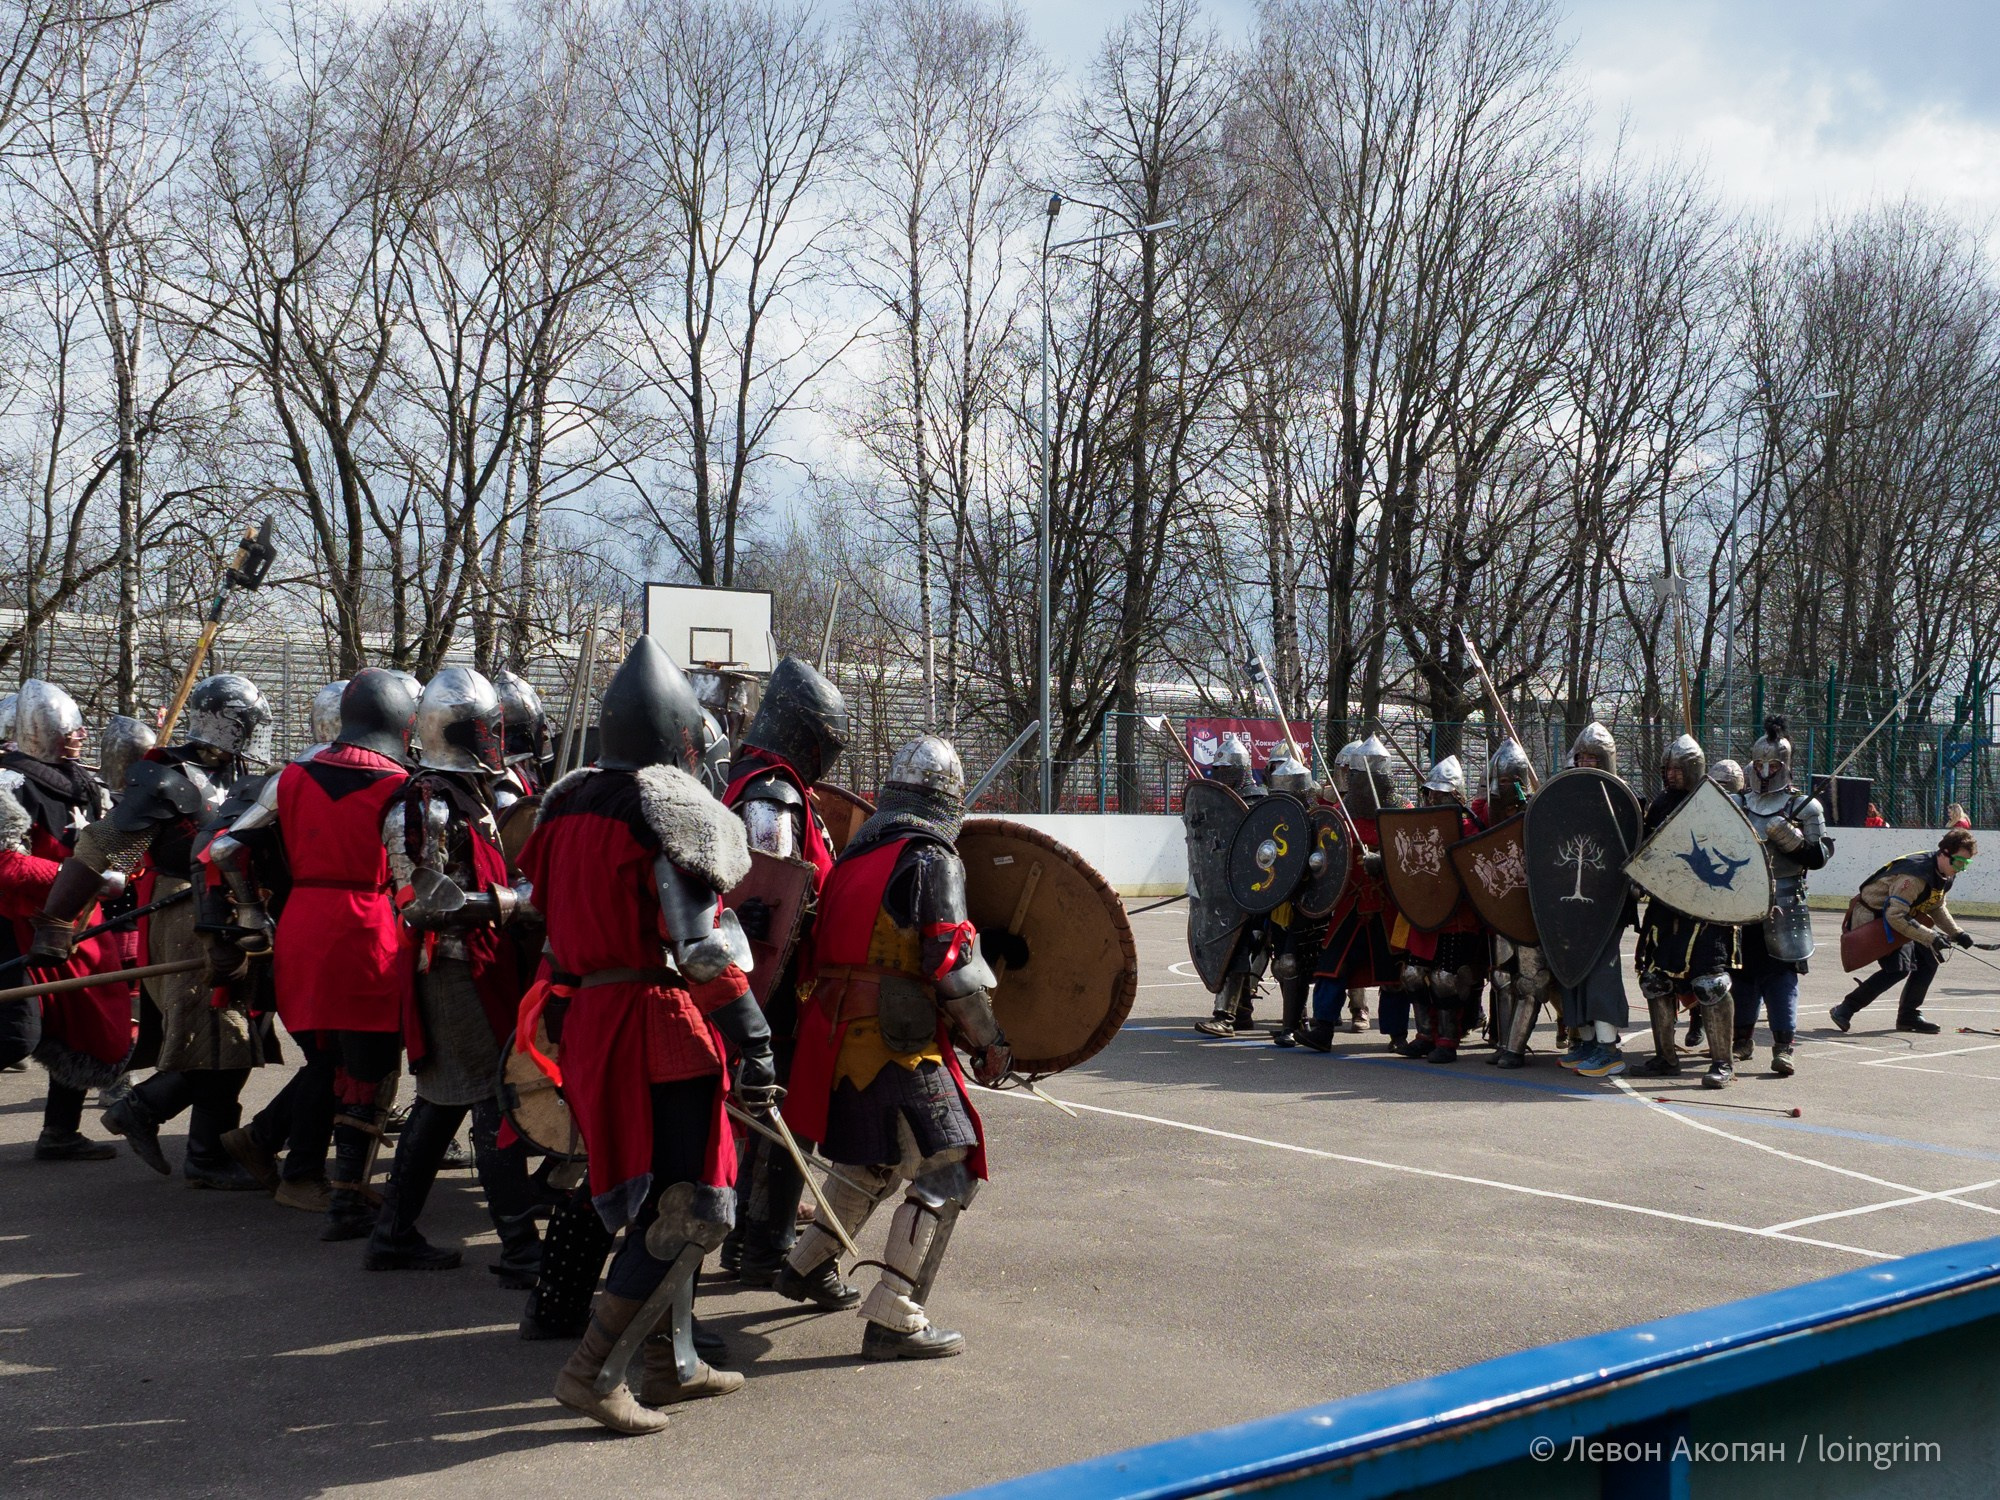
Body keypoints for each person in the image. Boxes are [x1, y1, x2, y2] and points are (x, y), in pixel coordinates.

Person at [517, 635, 769, 1433]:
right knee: (686, 1203)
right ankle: (593, 1372)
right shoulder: (667, 809)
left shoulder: (566, 806)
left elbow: (544, 920)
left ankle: (673, 1361)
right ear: (681, 734)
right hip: (653, 1026)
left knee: (660, 1198)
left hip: (590, 1020)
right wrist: (755, 1036)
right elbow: (699, 949)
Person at [776, 735, 1009, 1362]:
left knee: (873, 1159)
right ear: (947, 800)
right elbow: (950, 964)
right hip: (894, 1040)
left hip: (835, 1038)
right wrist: (991, 1041)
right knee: (950, 1166)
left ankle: (805, 1264)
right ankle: (895, 1315)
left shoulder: (855, 855)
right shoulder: (932, 857)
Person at [34, 675, 277, 1186]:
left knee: (236, 1038)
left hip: (234, 913)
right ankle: (199, 1152)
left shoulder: (242, 774)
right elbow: (101, 846)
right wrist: (57, 920)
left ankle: (158, 1120)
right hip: (186, 914)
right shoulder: (169, 775)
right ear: (229, 723)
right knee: (215, 1035)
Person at [206, 670, 417, 1232]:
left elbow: (225, 849)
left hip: (303, 925)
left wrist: (251, 912)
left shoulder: (292, 774)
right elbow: (412, 883)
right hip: (366, 930)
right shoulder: (400, 784)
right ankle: (317, 1180)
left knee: (326, 1058)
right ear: (401, 721)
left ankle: (277, 1151)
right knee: (364, 1063)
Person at [365, 668, 540, 1278]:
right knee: (492, 1097)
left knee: (442, 1103)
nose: (497, 738)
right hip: (450, 966)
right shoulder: (425, 803)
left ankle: (392, 1234)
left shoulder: (469, 793)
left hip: (480, 963)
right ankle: (520, 1248)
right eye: (488, 728)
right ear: (466, 730)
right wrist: (514, 902)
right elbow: (421, 903)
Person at [719, 655, 846, 1283]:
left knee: (765, 1108)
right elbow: (774, 899)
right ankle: (762, 1245)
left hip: (762, 980)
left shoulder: (754, 782)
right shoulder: (775, 793)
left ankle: (745, 1236)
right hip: (777, 985)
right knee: (780, 1111)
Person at [0, 681, 126, 1158]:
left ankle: (60, 1133)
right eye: (69, 729)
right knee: (16, 1034)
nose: (80, 736)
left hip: (79, 924)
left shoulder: (87, 785)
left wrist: (122, 863)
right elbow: (5, 866)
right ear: (41, 730)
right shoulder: (8, 785)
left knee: (86, 1030)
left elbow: (110, 846)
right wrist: (74, 875)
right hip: (19, 923)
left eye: (79, 729)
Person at [1730, 719, 1830, 1077]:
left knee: (1781, 978)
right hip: (1741, 899)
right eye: (1759, 765)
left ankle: (1783, 1047)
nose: (1764, 772)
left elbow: (1819, 857)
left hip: (1785, 900)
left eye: (1772, 766)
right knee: (1740, 973)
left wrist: (1792, 840)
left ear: (1784, 766)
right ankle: (1741, 1039)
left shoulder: (1804, 807)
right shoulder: (1736, 803)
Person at [1300, 737, 1399, 1052]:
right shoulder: (1338, 815)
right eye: (1358, 777)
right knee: (1331, 966)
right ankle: (1323, 1029)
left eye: (1370, 777)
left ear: (1384, 779)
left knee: (1395, 974)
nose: (1364, 783)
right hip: (1349, 905)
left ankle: (1398, 1035)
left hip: (1387, 907)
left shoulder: (1400, 813)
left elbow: (1411, 856)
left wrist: (1383, 861)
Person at [1832, 829, 1977, 1036]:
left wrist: (1956, 933)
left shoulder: (1945, 873)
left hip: (1900, 916)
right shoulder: (1915, 876)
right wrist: (1931, 936)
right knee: (1898, 968)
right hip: (1874, 918)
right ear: (1944, 853)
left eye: (1966, 863)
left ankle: (1908, 1016)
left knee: (1929, 960)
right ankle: (1845, 1008)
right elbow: (1895, 916)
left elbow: (1936, 906)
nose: (1961, 868)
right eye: (1959, 862)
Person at [1554, 722, 1634, 1078]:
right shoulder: (1565, 798)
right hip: (1570, 902)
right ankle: (1586, 1043)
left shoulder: (1624, 802)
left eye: (1594, 758)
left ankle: (1608, 1049)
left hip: (1607, 905)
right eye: (1582, 757)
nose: (1586, 763)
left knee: (1601, 974)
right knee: (1572, 971)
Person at [1395, 755, 1486, 1064]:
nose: (1433, 799)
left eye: (1440, 794)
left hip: (1457, 915)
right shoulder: (1418, 827)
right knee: (1411, 975)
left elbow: (1474, 869)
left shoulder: (1469, 829)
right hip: (1424, 912)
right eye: (1430, 793)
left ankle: (1447, 1039)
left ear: (1456, 796)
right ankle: (1424, 1035)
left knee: (1445, 978)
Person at [1475, 740, 1553, 1069]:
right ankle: (1504, 1043)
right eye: (1499, 780)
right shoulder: (1487, 814)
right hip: (1503, 907)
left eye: (1509, 780)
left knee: (1532, 981)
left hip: (1534, 909)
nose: (1503, 786)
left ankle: (1516, 1048)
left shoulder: (1540, 810)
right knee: (1503, 979)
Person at [1194, 734, 1264, 1037]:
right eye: (1217, 770)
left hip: (1254, 890)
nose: (1220, 775)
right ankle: (1243, 1012)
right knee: (1236, 946)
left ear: (1239, 769)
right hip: (1226, 890)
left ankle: (1225, 1016)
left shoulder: (1258, 801)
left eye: (1225, 770)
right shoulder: (1222, 802)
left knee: (1237, 948)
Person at [1261, 754, 1325, 1048]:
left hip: (1308, 903)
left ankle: (1294, 1025)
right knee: (1283, 963)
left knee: (1293, 962)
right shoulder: (1271, 821)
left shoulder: (1319, 820)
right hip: (1280, 901)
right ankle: (1297, 1021)